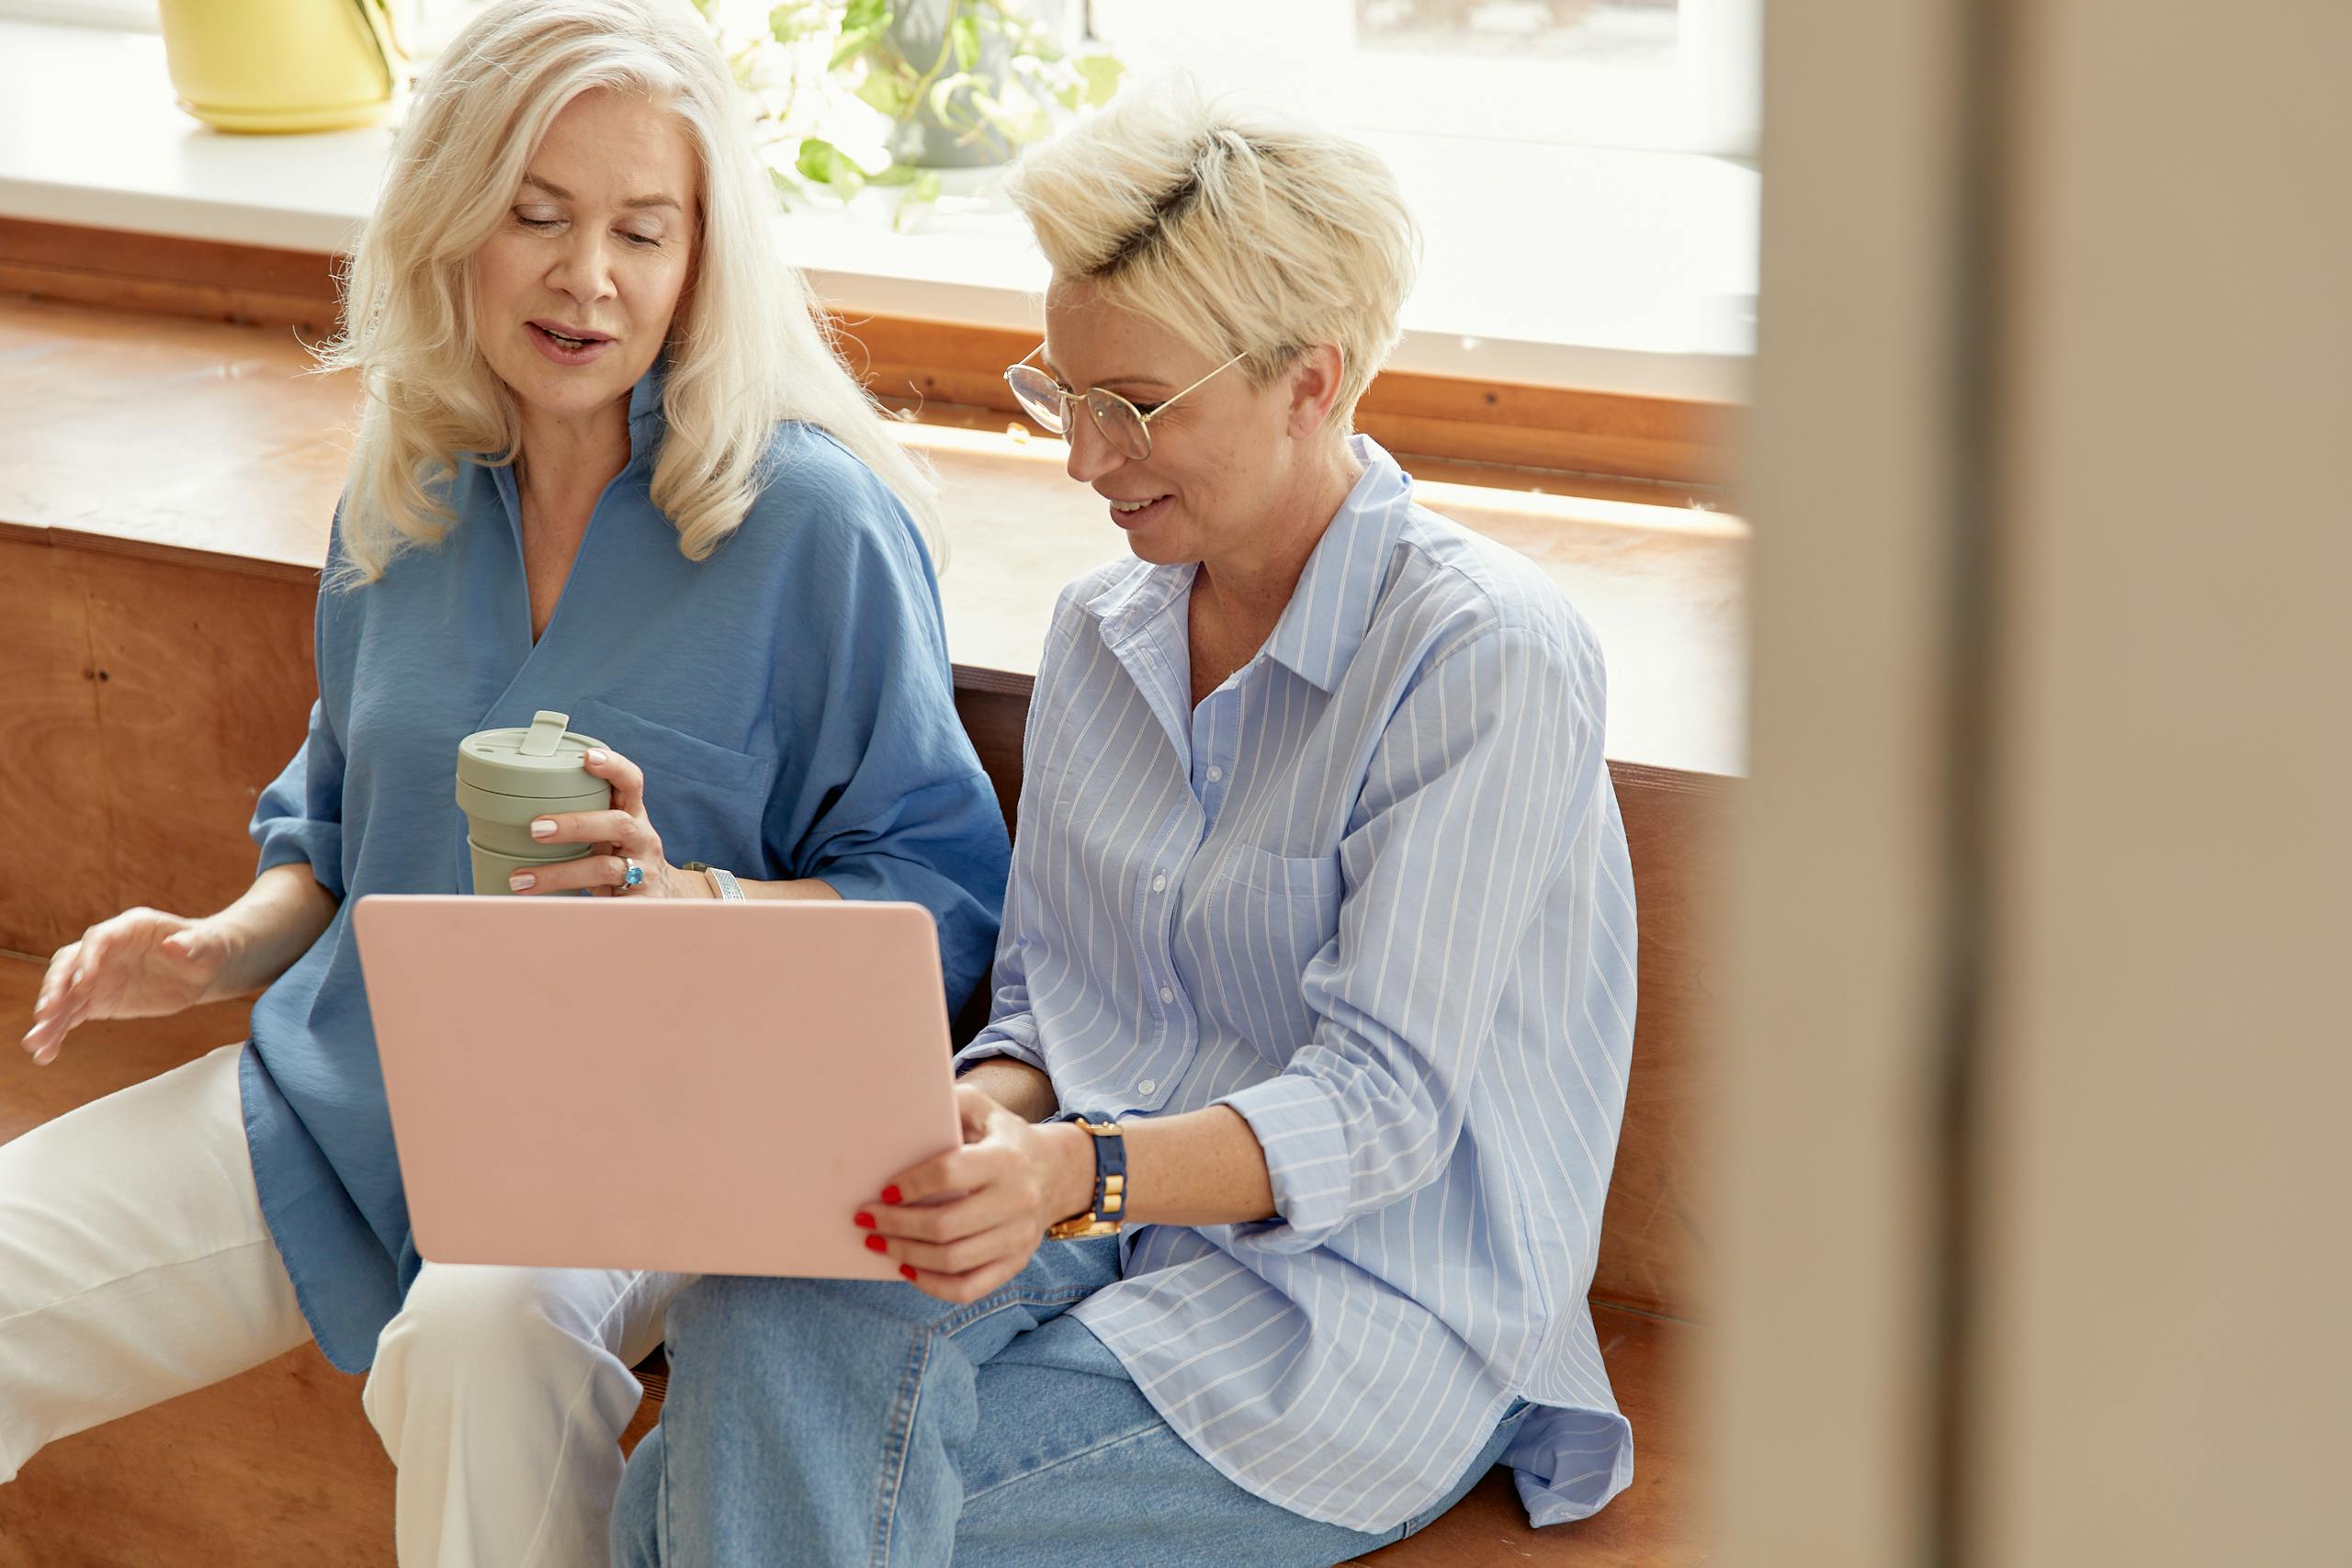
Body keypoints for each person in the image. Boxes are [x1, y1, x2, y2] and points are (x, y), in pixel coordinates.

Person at [3, 2, 1009, 1564]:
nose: (586, 275)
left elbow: (940, 903)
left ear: (700, 260)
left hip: (664, 1124)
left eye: (641, 230)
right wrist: (216, 946)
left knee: (481, 1337)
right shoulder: (403, 486)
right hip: (353, 1093)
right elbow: (334, 833)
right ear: (452, 221)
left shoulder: (812, 525)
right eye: (535, 215)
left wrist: (696, 902)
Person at [612, 80, 1637, 1568]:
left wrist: (1071, 1174)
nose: (1084, 459)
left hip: (1366, 1312)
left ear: (1310, 379)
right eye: (1063, 392)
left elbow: (1383, 1107)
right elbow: (1047, 996)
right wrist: (997, 1110)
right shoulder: (1106, 630)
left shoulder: (1483, 657)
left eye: (1136, 407)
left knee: (687, 1524)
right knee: (763, 1313)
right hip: (1094, 1227)